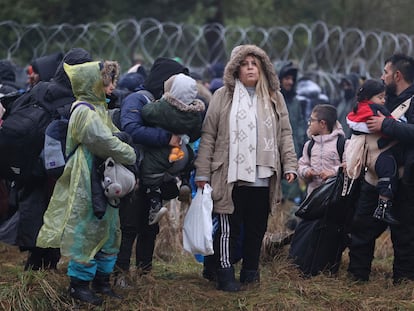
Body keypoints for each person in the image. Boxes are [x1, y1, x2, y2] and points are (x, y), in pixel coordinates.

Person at [194, 44, 297, 292]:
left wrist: (290, 164)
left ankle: (251, 272)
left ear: (262, 67)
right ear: (235, 69)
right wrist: (202, 172)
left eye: (255, 63)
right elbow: (208, 136)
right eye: (244, 63)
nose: (250, 67)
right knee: (229, 227)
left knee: (257, 227)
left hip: (264, 176)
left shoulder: (274, 96)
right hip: (230, 175)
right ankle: (225, 274)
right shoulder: (222, 96)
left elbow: (285, 133)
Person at [36, 60, 136, 306]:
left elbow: (111, 134)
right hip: (86, 176)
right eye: (108, 81)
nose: (112, 87)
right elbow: (103, 140)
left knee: (109, 230)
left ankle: (101, 282)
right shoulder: (83, 111)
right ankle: (78, 285)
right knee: (87, 229)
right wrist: (130, 153)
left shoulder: (98, 107)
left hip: (102, 175)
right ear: (94, 83)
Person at [115, 57, 190, 286]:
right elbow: (131, 129)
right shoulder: (138, 99)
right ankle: (120, 274)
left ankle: (144, 274)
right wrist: (168, 138)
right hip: (135, 175)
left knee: (149, 228)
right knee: (129, 227)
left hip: (155, 177)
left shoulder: (166, 105)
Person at [347, 53, 414, 283]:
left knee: (404, 234)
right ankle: (357, 277)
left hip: (405, 179)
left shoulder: (411, 101)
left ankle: (403, 282)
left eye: (385, 72)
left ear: (397, 75)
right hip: (374, 176)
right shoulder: (380, 98)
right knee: (362, 227)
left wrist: (386, 124)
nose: (382, 77)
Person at [289, 104, 351, 277]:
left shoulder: (342, 144)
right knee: (307, 232)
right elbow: (302, 164)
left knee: (330, 234)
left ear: (322, 123)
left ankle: (326, 268)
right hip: (313, 199)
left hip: (334, 201)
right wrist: (305, 172)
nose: (309, 123)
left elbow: (349, 166)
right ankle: (304, 266)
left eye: (312, 120)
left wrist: (333, 173)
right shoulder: (309, 145)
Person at [140, 73, 205, 225]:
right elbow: (196, 134)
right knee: (186, 161)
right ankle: (184, 182)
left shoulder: (163, 108)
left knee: (150, 174)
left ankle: (155, 204)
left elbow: (146, 112)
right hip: (183, 154)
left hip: (162, 154)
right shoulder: (195, 115)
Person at [346, 79, 400, 225]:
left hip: (364, 156)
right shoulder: (377, 110)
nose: (383, 101)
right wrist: (393, 127)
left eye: (384, 97)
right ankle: (383, 207)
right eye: (380, 97)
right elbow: (391, 125)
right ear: (368, 97)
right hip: (380, 154)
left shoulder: (357, 109)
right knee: (389, 174)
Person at [336, 73, 361, 138]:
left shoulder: (358, 104)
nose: (346, 88)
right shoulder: (342, 102)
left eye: (348, 85)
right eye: (344, 85)